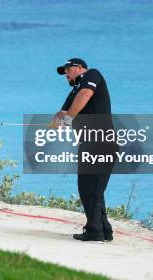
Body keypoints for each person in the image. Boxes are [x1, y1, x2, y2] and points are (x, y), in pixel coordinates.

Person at [51, 58, 116, 242]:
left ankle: (95, 232)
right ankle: (104, 230)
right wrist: (59, 118)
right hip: (89, 144)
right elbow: (60, 117)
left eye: (68, 70)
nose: (66, 75)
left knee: (92, 188)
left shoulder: (92, 74)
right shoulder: (74, 92)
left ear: (80, 68)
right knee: (90, 187)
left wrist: (69, 116)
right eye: (64, 73)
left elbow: (86, 94)